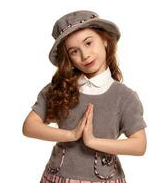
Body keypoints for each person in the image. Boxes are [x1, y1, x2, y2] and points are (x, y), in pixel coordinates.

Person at [22, 10, 147, 183]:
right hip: (58, 177)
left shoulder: (124, 96)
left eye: (88, 43)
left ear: (104, 40)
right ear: (68, 59)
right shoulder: (59, 88)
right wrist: (71, 135)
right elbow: (29, 126)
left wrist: (93, 141)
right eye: (74, 51)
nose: (84, 55)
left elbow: (139, 145)